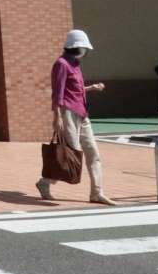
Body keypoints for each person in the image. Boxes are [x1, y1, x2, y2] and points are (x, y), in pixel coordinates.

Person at [37, 28, 112, 205]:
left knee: (93, 152)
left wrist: (91, 88)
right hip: (68, 112)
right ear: (75, 46)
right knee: (71, 153)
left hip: (82, 113)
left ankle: (97, 193)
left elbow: (74, 89)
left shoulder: (75, 64)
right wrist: (57, 116)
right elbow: (58, 92)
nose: (85, 51)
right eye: (83, 47)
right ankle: (44, 182)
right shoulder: (62, 64)